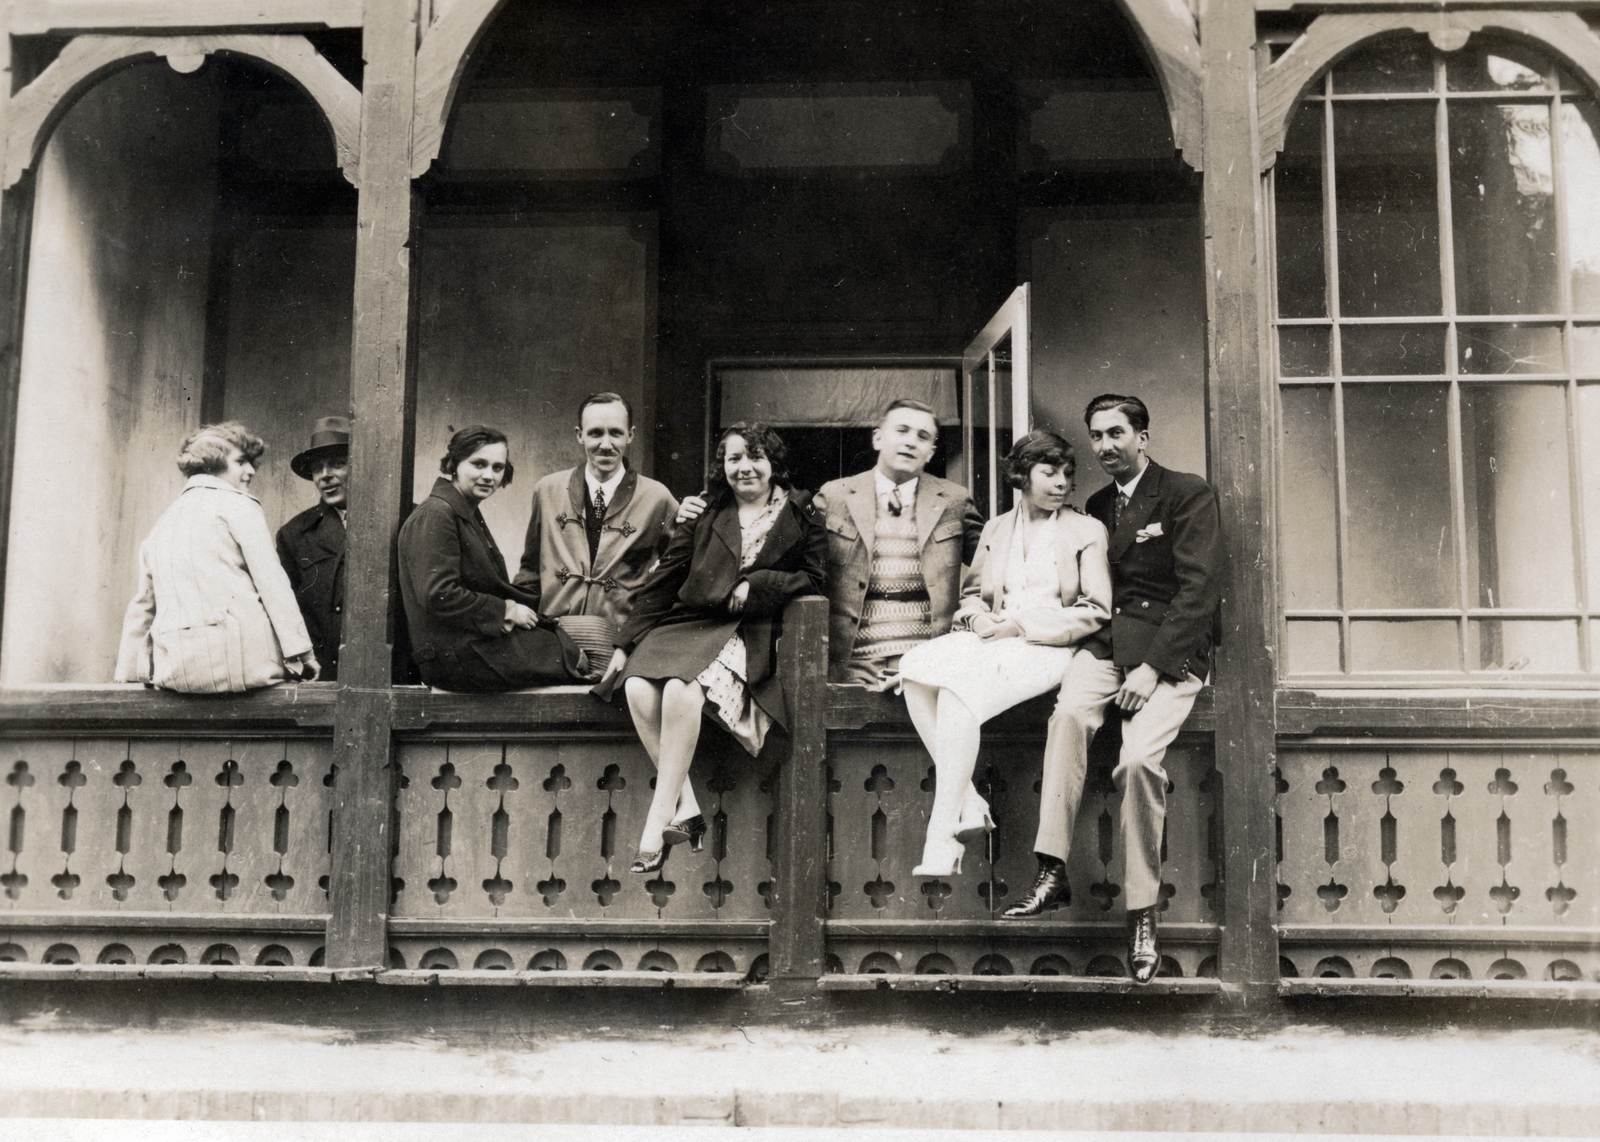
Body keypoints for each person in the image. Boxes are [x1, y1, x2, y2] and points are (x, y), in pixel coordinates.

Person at [1004, 394, 1222, 988]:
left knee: (1138, 762)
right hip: (1106, 645)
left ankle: (1142, 914)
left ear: (1143, 437)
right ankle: (1051, 869)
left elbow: (1199, 594)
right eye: (1096, 436)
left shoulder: (1185, 493)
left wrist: (1155, 667)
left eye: (1116, 433)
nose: (1104, 447)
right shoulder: (1098, 507)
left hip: (1169, 655)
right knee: (1069, 716)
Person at [595, 422, 825, 873]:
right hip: (687, 622)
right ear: (723, 466)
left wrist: (758, 584)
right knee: (638, 688)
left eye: (755, 457)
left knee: (682, 690)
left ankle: (657, 821)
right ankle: (688, 809)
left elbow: (816, 578)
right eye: (734, 458)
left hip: (746, 629)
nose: (745, 467)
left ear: (773, 463)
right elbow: (664, 582)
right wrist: (625, 644)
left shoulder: (801, 511)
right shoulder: (704, 512)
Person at [897, 430, 1111, 877]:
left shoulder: (1087, 530)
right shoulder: (996, 528)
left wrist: (1019, 625)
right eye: (1049, 473)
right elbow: (974, 594)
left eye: (1067, 475)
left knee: (958, 694)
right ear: (1021, 474)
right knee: (913, 668)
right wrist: (975, 619)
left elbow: (1097, 610)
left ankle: (941, 838)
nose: (1061, 483)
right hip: (993, 638)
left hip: (1047, 645)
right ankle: (971, 802)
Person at [115, 422, 319, 692]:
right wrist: (302, 654)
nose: (250, 471)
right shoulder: (240, 506)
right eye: (241, 462)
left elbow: (143, 605)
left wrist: (128, 673)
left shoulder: (162, 525)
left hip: (178, 673)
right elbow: (272, 584)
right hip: (245, 667)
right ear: (213, 461)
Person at [811, 399, 984, 687]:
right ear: (878, 438)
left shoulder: (954, 501)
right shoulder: (835, 497)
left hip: (931, 664)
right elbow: (794, 561)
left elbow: (995, 566)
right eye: (901, 430)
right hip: (852, 665)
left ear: (931, 452)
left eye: (923, 436)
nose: (911, 442)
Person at [398, 425, 570, 692]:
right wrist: (507, 611)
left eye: (497, 468)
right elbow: (437, 593)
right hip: (453, 658)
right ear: (454, 464)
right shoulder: (437, 513)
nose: (489, 476)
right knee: (573, 659)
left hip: (468, 646)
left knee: (566, 645)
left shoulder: (462, 511)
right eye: (478, 464)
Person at [513, 393, 679, 638]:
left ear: (630, 435)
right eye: (595, 433)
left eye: (616, 432)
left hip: (619, 639)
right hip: (554, 634)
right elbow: (530, 569)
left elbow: (675, 573)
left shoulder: (658, 497)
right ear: (580, 435)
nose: (606, 444)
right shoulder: (548, 490)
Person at [276, 416, 350, 681]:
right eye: (318, 468)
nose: (325, 475)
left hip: (388, 673)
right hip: (322, 673)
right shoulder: (295, 533)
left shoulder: (406, 519)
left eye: (338, 464)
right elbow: (285, 606)